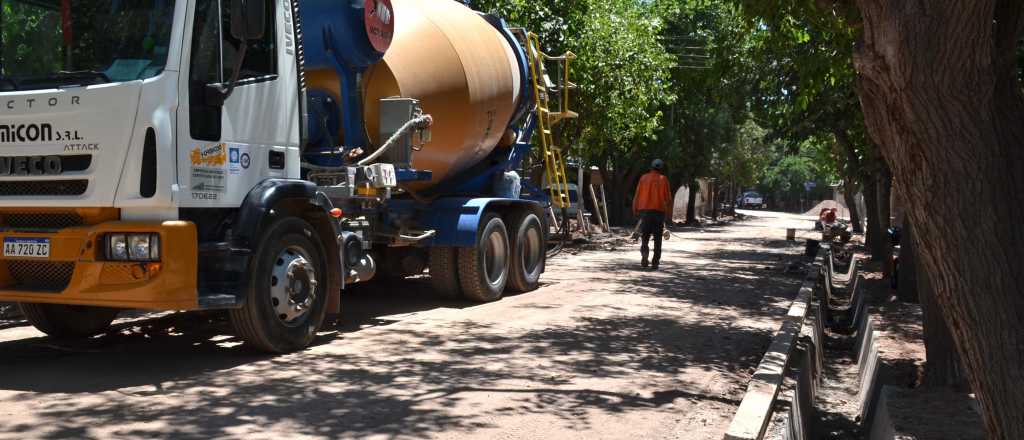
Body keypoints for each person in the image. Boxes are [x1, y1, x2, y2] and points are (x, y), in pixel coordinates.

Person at [632, 159, 672, 270]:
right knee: (658, 239)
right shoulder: (663, 179)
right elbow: (668, 199)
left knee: (645, 237)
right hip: (659, 213)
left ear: (651, 167)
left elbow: (637, 195)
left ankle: (644, 253)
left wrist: (634, 209)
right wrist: (669, 215)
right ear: (661, 168)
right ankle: (655, 262)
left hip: (645, 212)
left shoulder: (643, 178)